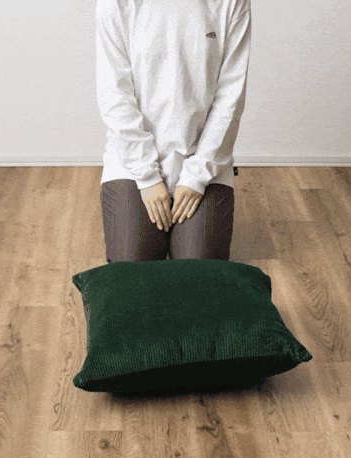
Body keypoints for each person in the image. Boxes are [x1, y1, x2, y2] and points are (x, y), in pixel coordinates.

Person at [96, 0, 251, 263]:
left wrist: (196, 177)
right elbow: (115, 96)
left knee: (198, 275)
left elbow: (231, 98)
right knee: (132, 273)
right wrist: (147, 177)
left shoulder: (232, 3)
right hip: (132, 164)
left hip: (205, 162)